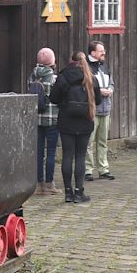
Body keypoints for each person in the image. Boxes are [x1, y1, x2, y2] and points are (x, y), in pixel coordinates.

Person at [48, 50, 97, 204]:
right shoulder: (91, 77)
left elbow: (53, 98)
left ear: (71, 60)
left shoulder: (63, 77)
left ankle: (68, 193)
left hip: (66, 120)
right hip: (85, 120)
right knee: (81, 155)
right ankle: (79, 192)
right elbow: (99, 100)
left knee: (67, 155)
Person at [84, 41, 116, 182]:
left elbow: (112, 82)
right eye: (101, 51)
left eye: (104, 50)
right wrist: (99, 92)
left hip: (106, 109)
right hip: (93, 110)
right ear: (93, 53)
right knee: (89, 142)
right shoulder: (86, 67)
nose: (104, 53)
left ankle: (103, 169)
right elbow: (85, 87)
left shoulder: (104, 66)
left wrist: (110, 90)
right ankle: (88, 170)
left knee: (103, 141)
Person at [30, 48, 60, 195]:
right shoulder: (54, 78)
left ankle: (38, 184)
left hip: (36, 118)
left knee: (39, 152)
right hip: (52, 119)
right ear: (51, 61)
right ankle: (49, 184)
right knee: (51, 152)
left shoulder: (31, 77)